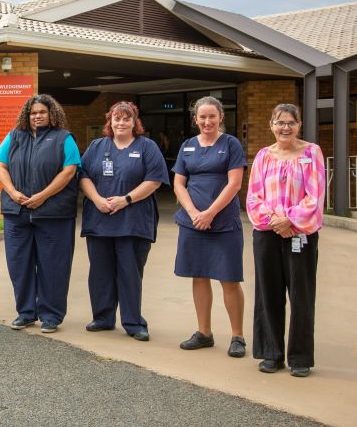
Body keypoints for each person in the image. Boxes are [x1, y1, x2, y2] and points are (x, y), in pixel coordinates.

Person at [246, 104, 325, 377]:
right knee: (268, 294)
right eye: (280, 123)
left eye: (291, 123)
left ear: (299, 125)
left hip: (300, 235)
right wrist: (275, 222)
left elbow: (314, 197)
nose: (285, 128)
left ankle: (300, 357)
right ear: (271, 125)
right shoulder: (263, 157)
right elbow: (253, 197)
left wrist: (289, 219)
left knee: (301, 296)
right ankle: (271, 353)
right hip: (268, 235)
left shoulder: (312, 153)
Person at [79, 101, 168, 341]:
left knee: (129, 273)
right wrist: (97, 199)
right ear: (110, 121)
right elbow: (83, 175)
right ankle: (103, 318)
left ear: (134, 122)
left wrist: (125, 200)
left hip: (133, 221)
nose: (121, 123)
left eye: (126, 119)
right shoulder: (97, 146)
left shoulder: (147, 147)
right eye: (116, 119)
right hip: (99, 220)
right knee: (100, 272)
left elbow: (155, 180)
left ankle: (133, 322)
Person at [0, 94, 80, 333]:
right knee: (19, 264)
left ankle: (51, 315)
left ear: (52, 114)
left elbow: (69, 170)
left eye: (42, 112)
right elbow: (1, 165)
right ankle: (26, 312)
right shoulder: (14, 137)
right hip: (17, 213)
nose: (37, 116)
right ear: (27, 115)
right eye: (33, 113)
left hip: (54, 214)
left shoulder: (64, 138)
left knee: (54, 266)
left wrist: (42, 196)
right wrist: (12, 193)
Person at [173, 96, 247, 357]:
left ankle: (237, 336)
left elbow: (235, 184)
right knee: (199, 275)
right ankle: (204, 332)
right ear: (195, 120)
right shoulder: (187, 146)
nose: (207, 121)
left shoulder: (231, 145)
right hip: (193, 223)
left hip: (223, 223)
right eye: (202, 117)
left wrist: (210, 213)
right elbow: (179, 183)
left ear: (221, 118)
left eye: (212, 116)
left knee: (229, 278)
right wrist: (194, 213)